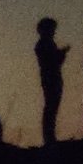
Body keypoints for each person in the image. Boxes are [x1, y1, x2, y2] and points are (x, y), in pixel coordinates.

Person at [34, 17, 69, 147]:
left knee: (51, 107)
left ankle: (49, 137)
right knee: (51, 107)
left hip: (51, 77)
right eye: (52, 29)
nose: (54, 31)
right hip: (51, 78)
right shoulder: (44, 44)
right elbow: (53, 61)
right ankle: (49, 138)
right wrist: (62, 54)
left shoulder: (45, 43)